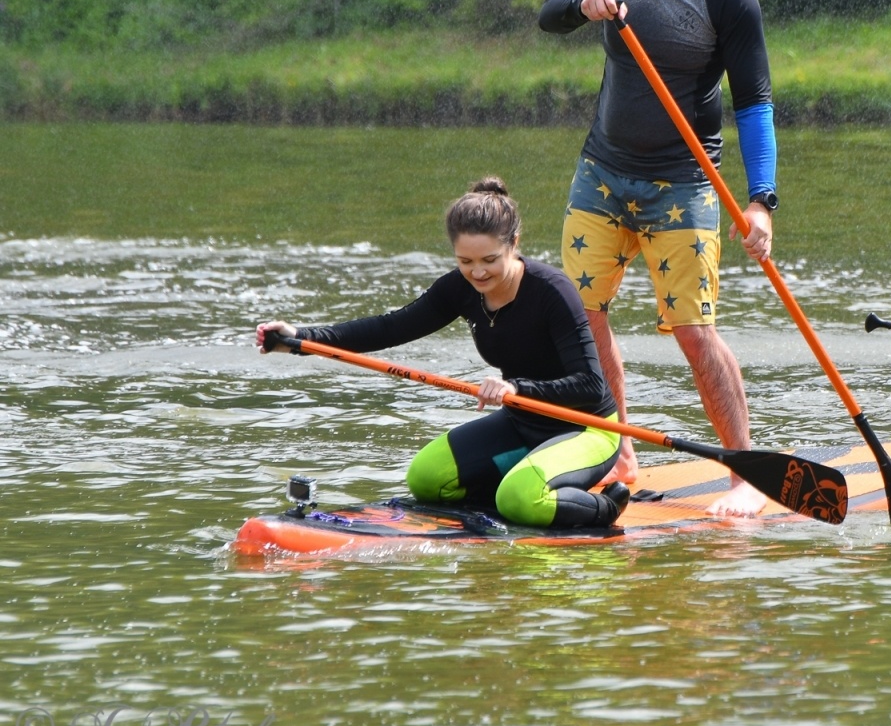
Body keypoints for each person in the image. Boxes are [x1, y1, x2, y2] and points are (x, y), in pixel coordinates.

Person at [537, 0, 777, 517]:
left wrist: (762, 202)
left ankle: (743, 475)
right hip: (602, 175)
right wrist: (583, 4)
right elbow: (550, 12)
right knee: (586, 322)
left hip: (684, 184)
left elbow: (754, 100)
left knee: (694, 333)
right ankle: (619, 454)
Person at [255, 178, 629, 529]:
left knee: (519, 498)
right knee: (427, 478)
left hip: (586, 428)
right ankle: (517, 490)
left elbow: (589, 384)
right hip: (522, 424)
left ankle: (605, 506)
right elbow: (390, 327)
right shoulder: (459, 289)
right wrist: (301, 339)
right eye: (465, 262)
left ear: (515, 242)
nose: (477, 273)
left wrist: (516, 388)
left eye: (489, 260)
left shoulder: (553, 293)